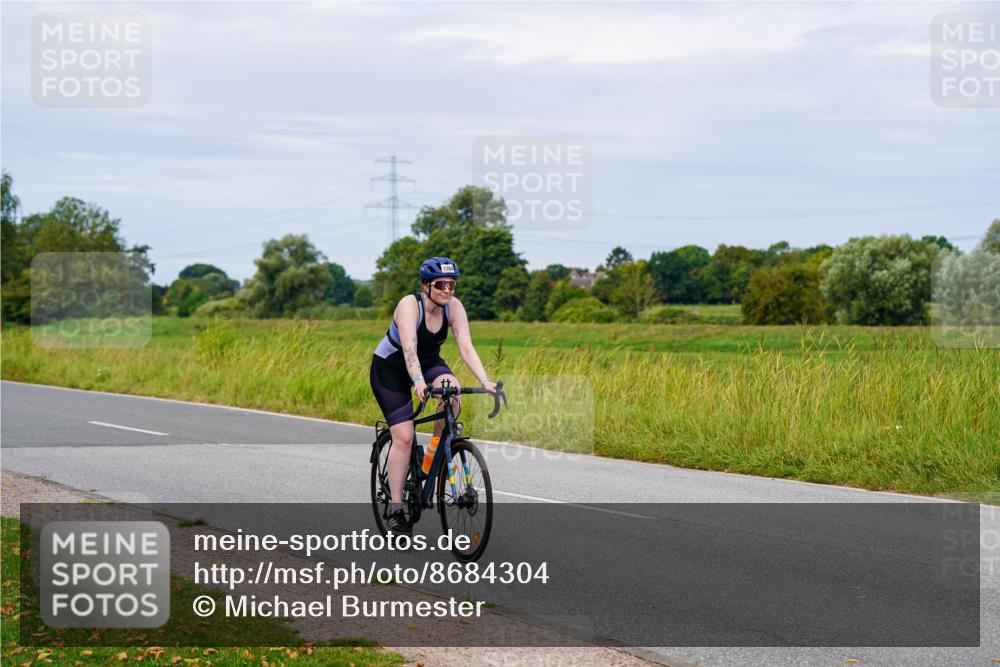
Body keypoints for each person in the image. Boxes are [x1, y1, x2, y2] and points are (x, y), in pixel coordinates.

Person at [369, 257, 497, 535]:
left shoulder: (454, 306)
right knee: (403, 436)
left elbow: (465, 346)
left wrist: (485, 380)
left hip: (428, 363)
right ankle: (395, 507)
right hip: (391, 370)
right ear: (426, 285)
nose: (448, 290)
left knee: (452, 395)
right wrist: (417, 380)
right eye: (441, 284)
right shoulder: (408, 306)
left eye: (451, 284)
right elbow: (409, 350)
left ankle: (429, 463)